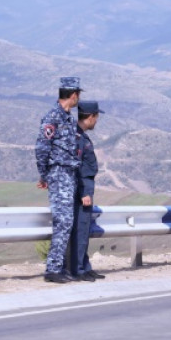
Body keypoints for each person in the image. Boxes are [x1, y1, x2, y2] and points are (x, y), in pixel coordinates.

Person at [35, 77, 82, 284]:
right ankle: (53, 269)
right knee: (63, 221)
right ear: (73, 95)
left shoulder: (69, 118)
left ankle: (59, 267)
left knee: (67, 221)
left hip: (69, 173)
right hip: (58, 173)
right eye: (78, 95)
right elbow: (42, 147)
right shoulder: (53, 117)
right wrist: (44, 174)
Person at [68, 100, 106, 282]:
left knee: (83, 230)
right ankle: (78, 270)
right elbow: (78, 167)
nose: (96, 121)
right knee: (81, 230)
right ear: (90, 117)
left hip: (85, 189)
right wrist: (84, 192)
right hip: (82, 190)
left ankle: (85, 266)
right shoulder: (77, 137)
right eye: (96, 117)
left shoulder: (80, 135)